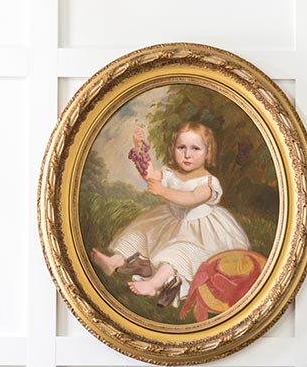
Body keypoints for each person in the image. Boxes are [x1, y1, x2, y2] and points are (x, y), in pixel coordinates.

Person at [91, 122, 250, 308]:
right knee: (140, 233)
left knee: (177, 253)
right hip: (170, 221)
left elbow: (190, 198)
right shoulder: (170, 173)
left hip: (198, 232)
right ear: (173, 149)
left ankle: (153, 284)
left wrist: (163, 192)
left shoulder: (208, 182)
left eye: (195, 148)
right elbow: (149, 174)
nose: (187, 154)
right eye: (181, 147)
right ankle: (114, 261)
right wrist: (139, 147)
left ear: (208, 153)